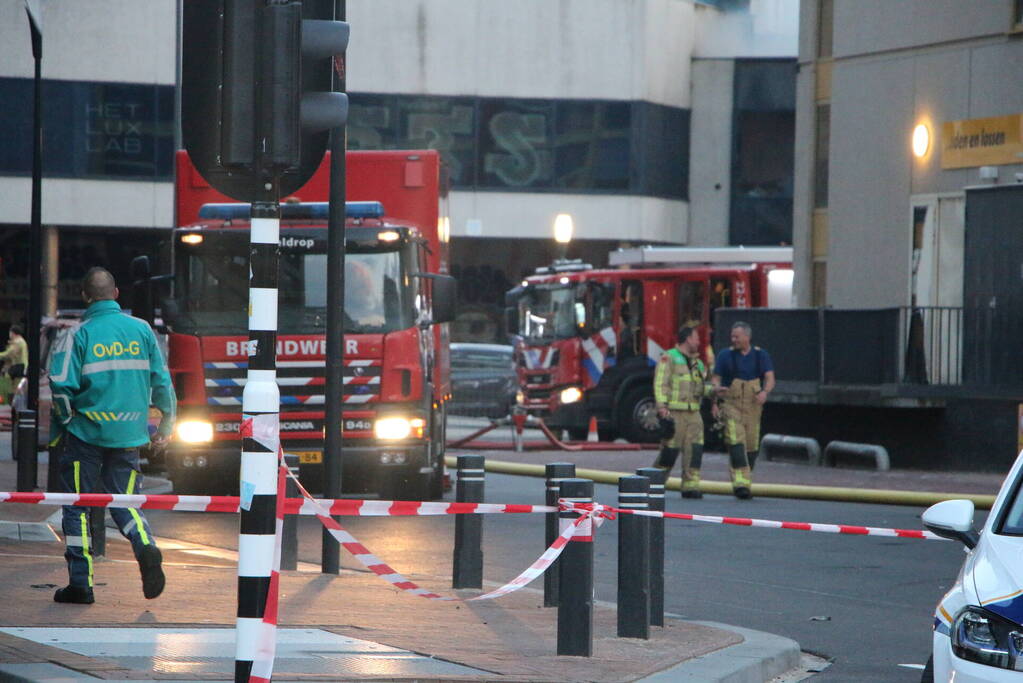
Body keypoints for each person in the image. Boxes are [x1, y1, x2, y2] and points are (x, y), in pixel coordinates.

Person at [48, 267, 176, 604]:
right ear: (116, 294)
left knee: (77, 506)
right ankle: (145, 547)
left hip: (86, 435)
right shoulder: (142, 330)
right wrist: (164, 427)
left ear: (85, 297)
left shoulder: (77, 334)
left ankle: (81, 583)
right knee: (125, 502)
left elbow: (60, 386)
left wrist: (65, 421)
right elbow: (162, 382)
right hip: (129, 435)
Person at [712, 321, 775, 500]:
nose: (733, 340)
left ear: (747, 337)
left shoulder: (761, 355)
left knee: (752, 445)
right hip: (731, 405)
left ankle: (745, 479)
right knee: (736, 441)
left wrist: (765, 392)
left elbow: (770, 378)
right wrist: (716, 392)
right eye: (732, 336)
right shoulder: (725, 355)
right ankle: (740, 484)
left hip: (753, 407)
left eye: (737, 336)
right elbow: (716, 378)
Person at [653, 325, 714, 498]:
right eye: (696, 338)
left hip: (694, 413)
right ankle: (654, 484)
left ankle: (690, 486)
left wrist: (714, 391)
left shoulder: (697, 363)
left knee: (694, 450)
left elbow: (700, 388)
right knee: (669, 451)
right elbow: (661, 383)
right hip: (674, 413)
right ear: (688, 339)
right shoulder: (669, 357)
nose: (699, 342)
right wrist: (662, 407)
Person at [0, 323, 28, 405]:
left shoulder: (18, 342)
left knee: (11, 384)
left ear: (12, 333)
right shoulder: (21, 341)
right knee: (15, 386)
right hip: (20, 367)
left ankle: (11, 402)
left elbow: (9, 354)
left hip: (19, 367)